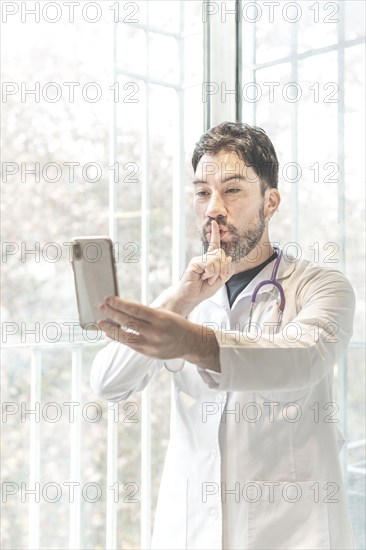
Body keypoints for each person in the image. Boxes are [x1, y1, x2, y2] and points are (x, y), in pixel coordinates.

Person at [91, 122, 356, 549]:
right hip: (191, 531)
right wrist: (179, 300)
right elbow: (109, 382)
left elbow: (303, 357)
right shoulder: (183, 297)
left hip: (291, 532)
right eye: (201, 192)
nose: (214, 207)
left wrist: (193, 343)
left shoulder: (321, 286)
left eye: (232, 190)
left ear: (270, 202)